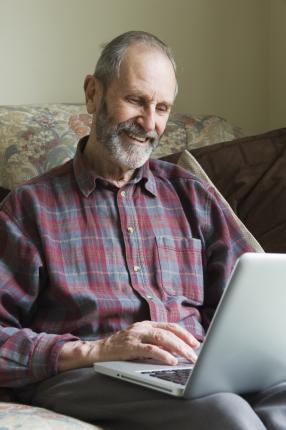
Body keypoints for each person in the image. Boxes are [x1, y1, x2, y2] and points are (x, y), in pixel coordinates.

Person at [0, 30, 285, 430]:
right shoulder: (30, 208)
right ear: (93, 93)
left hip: (190, 367)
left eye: (163, 107)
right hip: (90, 374)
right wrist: (95, 350)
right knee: (225, 414)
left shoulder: (191, 192)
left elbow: (252, 299)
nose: (149, 123)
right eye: (135, 100)